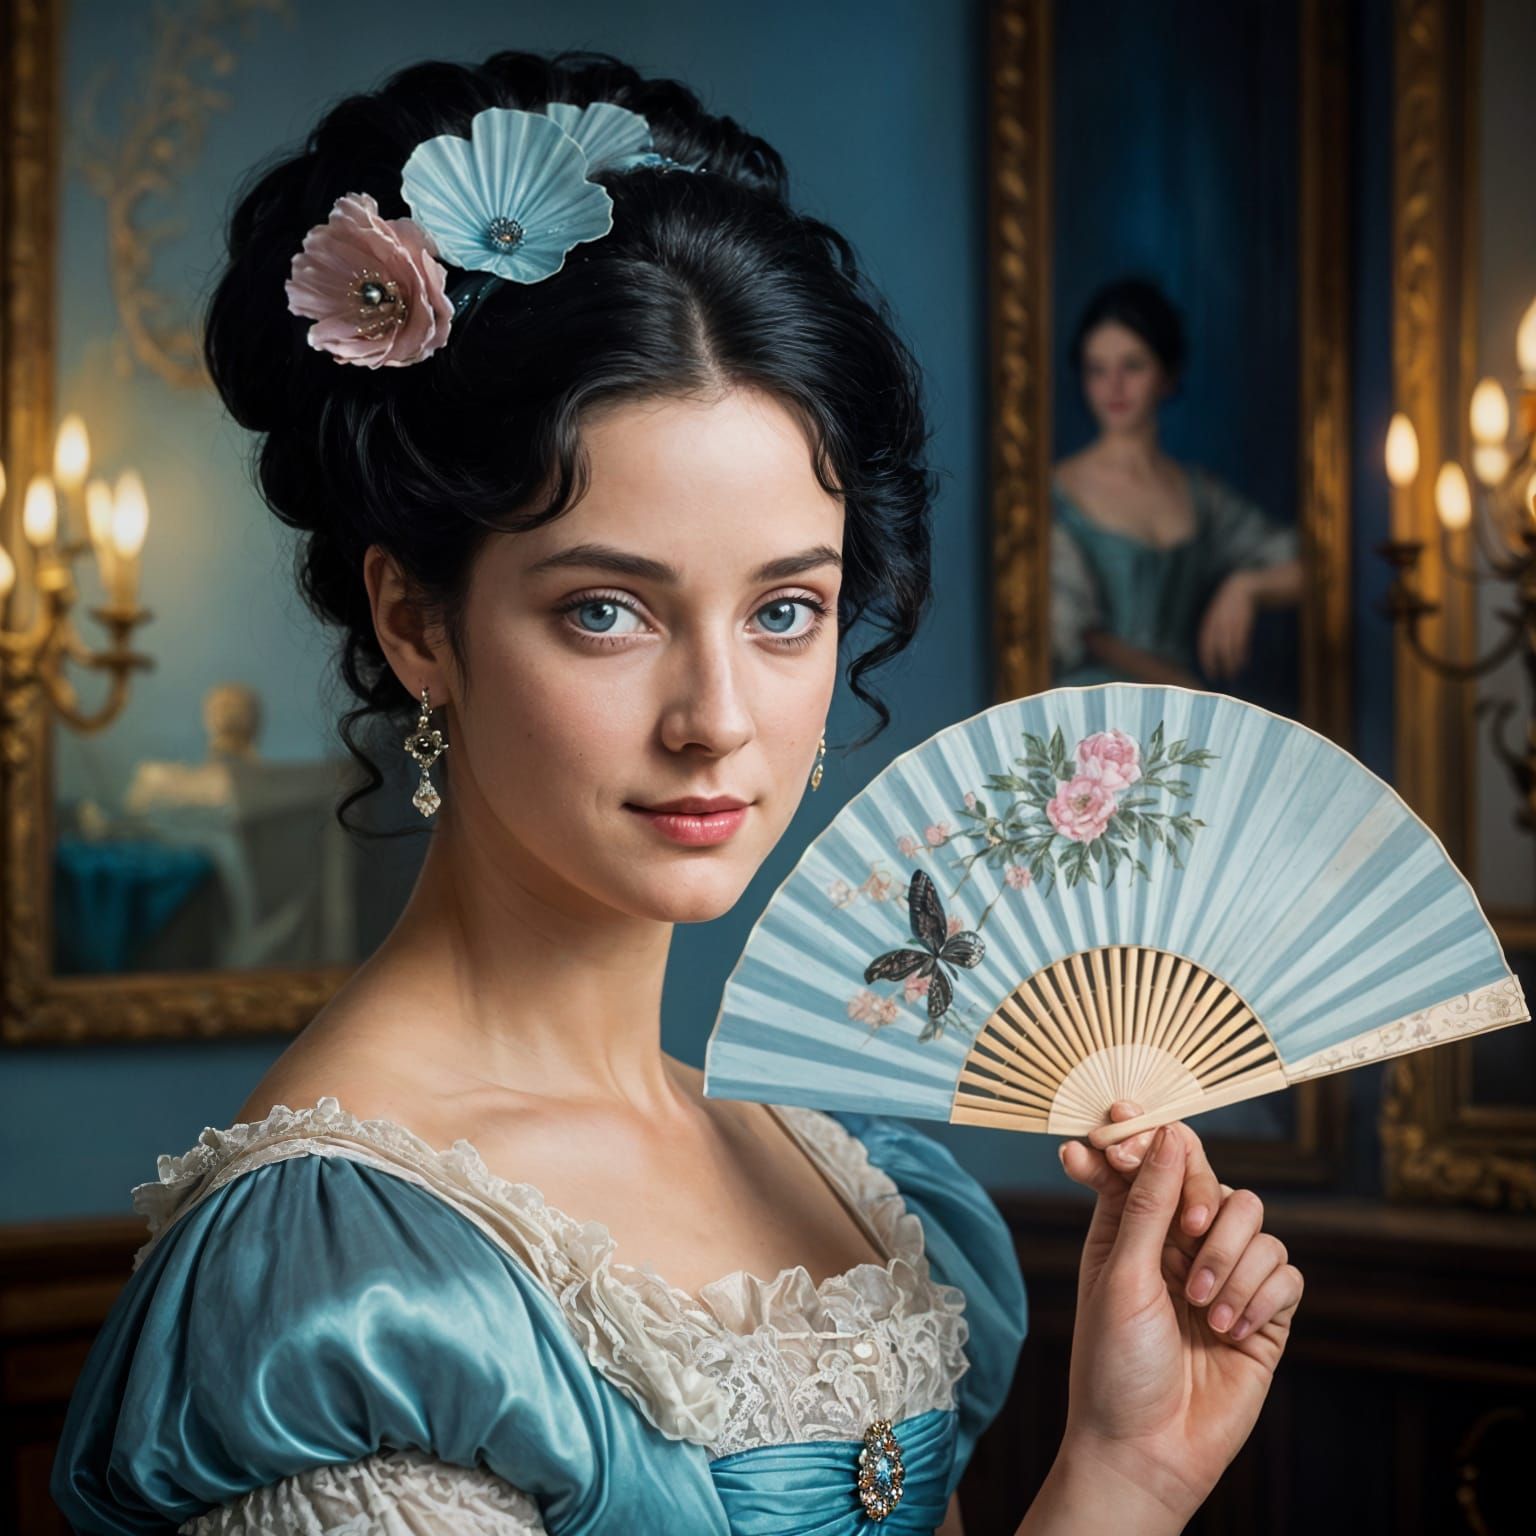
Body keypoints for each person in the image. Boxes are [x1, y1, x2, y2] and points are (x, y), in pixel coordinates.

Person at [50, 52, 1303, 1535]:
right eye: (606, 611)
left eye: (784, 612)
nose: (719, 722)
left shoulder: (835, 1174)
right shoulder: (352, 1279)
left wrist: (1124, 1472)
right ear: (414, 622)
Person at [1051, 278, 1304, 689]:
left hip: (1181, 717)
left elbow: (1312, 568)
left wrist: (1247, 586)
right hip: (1089, 712)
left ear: (1167, 375)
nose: (1113, 386)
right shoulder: (1055, 493)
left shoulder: (1201, 495)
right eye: (1097, 369)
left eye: (1132, 366)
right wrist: (1178, 683)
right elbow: (1076, 635)